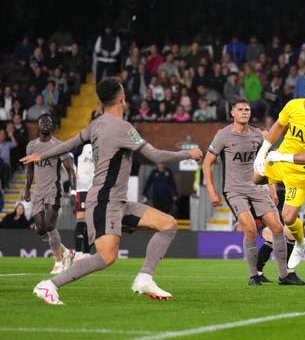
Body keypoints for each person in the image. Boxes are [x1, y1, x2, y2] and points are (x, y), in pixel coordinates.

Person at [22, 77, 203, 305]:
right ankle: (49, 285)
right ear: (121, 98)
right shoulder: (124, 128)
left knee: (168, 224)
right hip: (105, 202)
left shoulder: (96, 124)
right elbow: (156, 156)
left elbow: (70, 144)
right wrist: (188, 154)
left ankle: (144, 278)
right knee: (107, 257)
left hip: (117, 202)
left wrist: (42, 154)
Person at [203, 99, 302, 285]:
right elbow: (207, 163)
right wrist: (212, 191)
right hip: (234, 190)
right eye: (240, 109)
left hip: (257, 188)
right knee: (249, 228)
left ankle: (284, 275)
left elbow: (267, 163)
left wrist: (272, 188)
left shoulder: (258, 135)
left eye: (247, 109)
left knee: (278, 227)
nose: (244, 112)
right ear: (232, 113)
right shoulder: (223, 135)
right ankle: (254, 276)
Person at [253, 77, 305, 270]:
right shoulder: (293, 105)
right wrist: (261, 153)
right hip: (279, 158)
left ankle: (300, 242)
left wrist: (280, 156)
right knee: (255, 178)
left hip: (301, 169)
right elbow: (278, 127)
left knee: (288, 218)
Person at [24, 114, 77, 275]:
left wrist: (73, 192)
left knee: (49, 225)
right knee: (40, 229)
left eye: (49, 122)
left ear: (52, 126)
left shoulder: (59, 145)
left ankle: (59, 262)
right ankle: (67, 252)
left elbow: (70, 170)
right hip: (38, 192)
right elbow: (30, 169)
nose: (46, 124)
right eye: (42, 122)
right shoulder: (31, 146)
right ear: (37, 126)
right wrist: (27, 188)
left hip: (54, 189)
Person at [73, 143, 94, 259]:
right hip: (82, 188)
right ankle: (78, 252)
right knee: (81, 219)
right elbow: (69, 158)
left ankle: (86, 252)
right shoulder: (81, 147)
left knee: (91, 222)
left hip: (95, 189)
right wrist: (73, 172)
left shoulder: (100, 146)